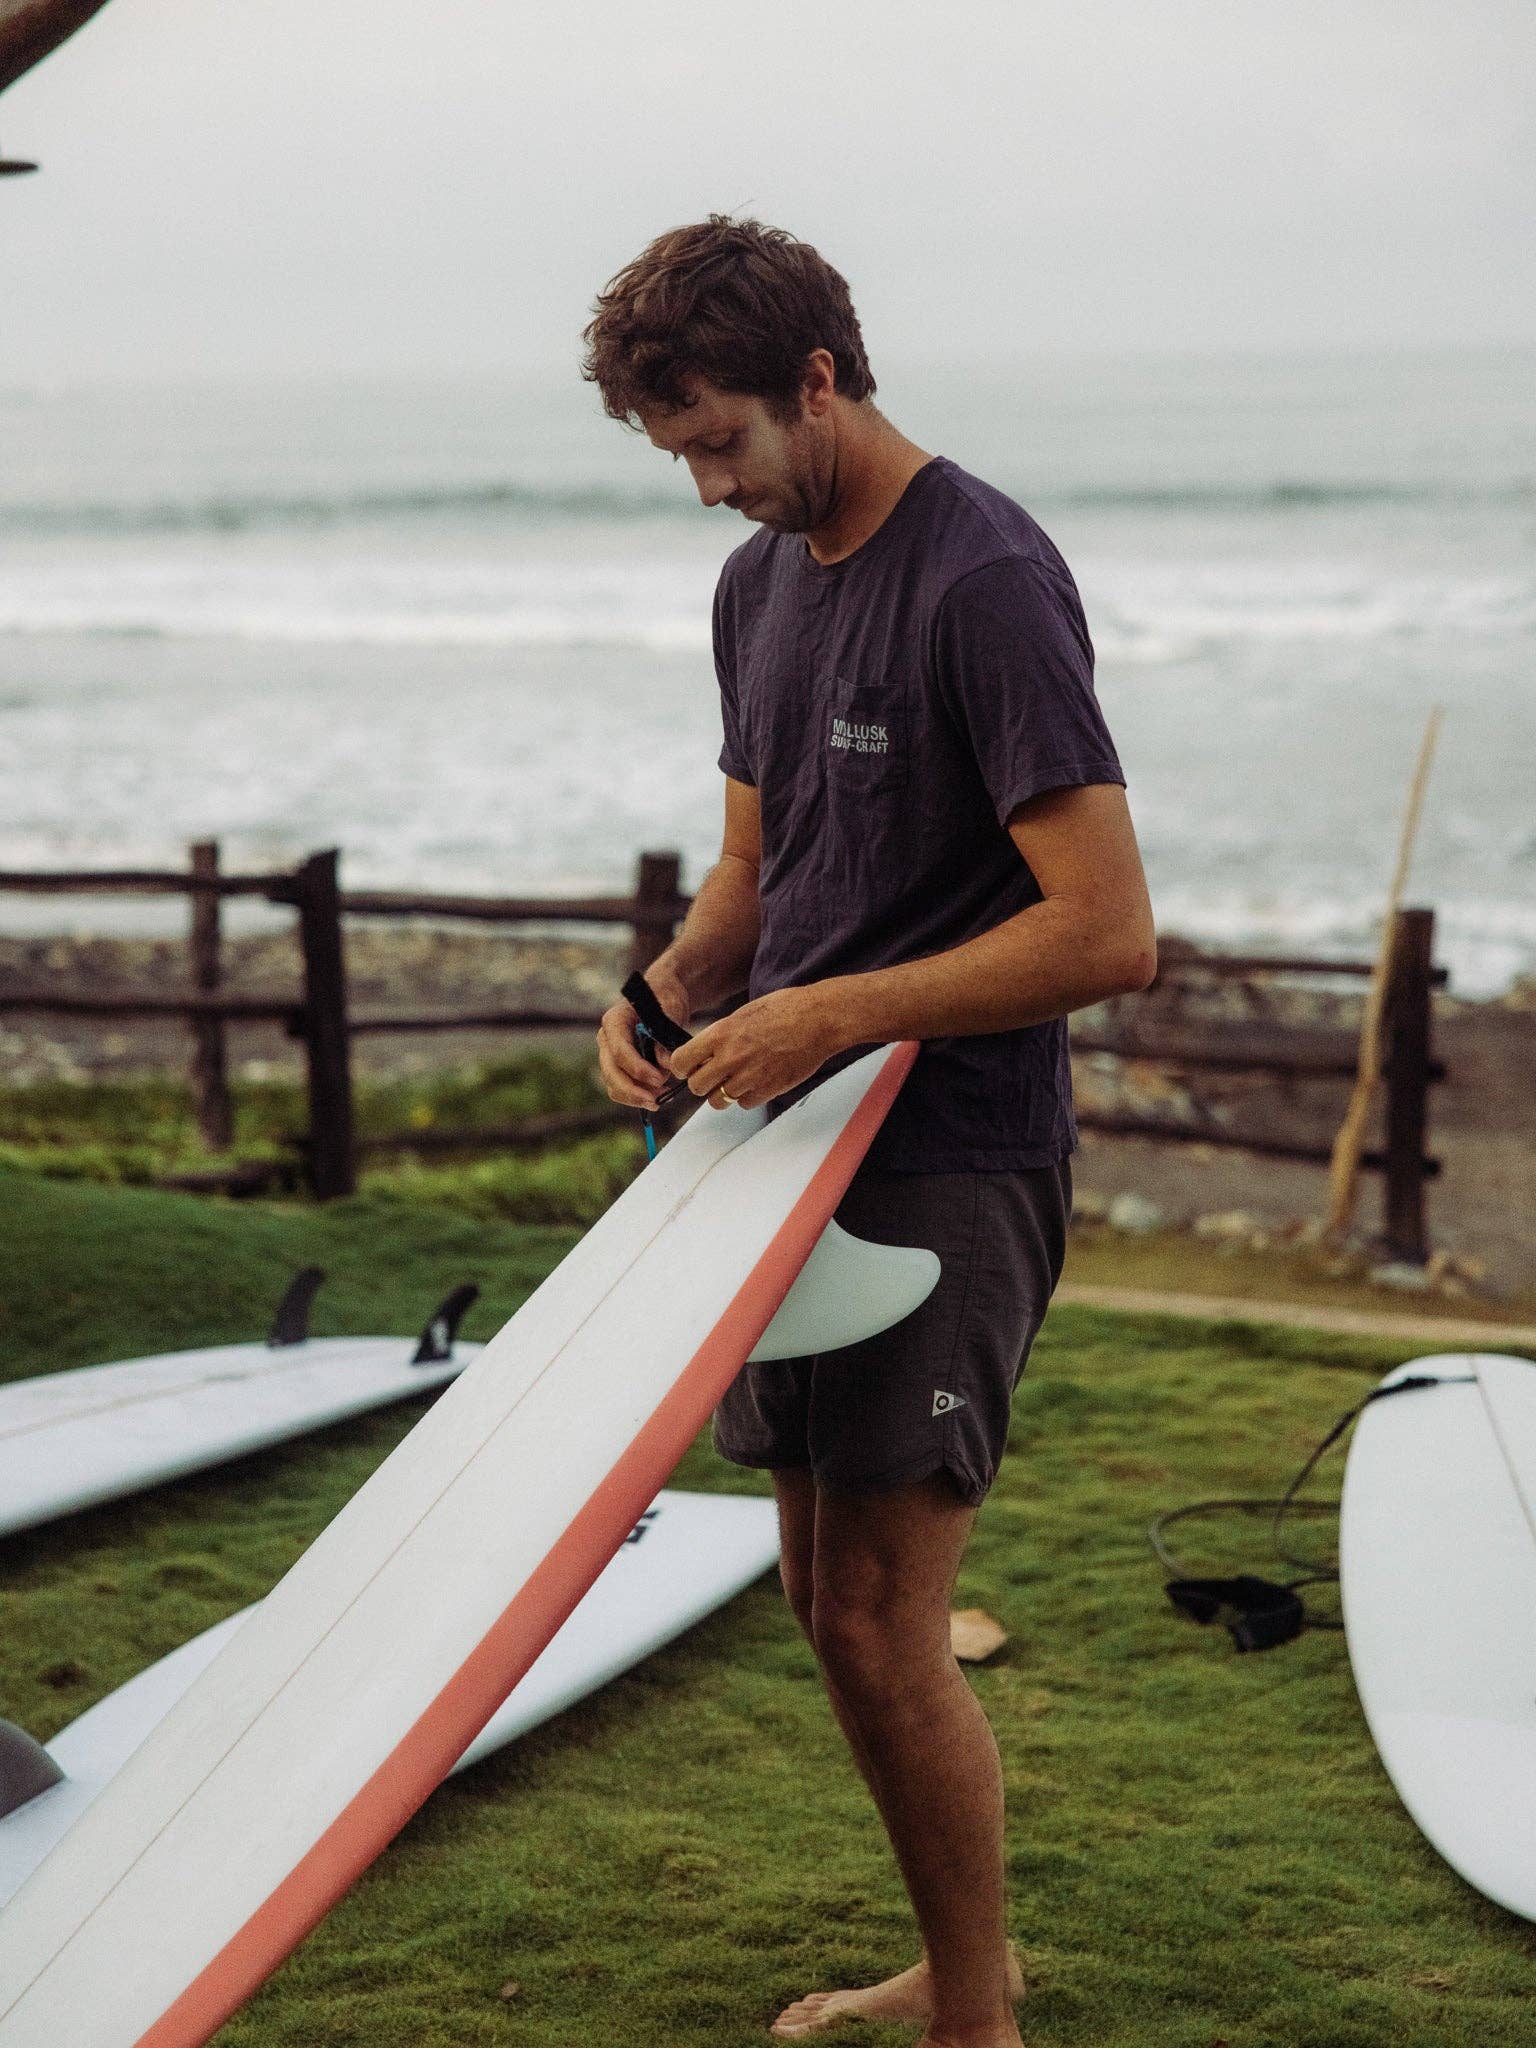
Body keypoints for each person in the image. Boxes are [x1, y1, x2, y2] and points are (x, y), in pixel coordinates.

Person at [587, 215, 1156, 2048]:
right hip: (777, 1157)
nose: (706, 488)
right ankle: (963, 1972)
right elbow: (759, 878)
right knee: (828, 1607)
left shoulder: (983, 577)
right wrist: (662, 994)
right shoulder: (761, 585)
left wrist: (839, 1013)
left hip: (948, 1156)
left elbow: (1106, 930)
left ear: (818, 377)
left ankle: (974, 2026)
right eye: (677, 455)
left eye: (723, 443)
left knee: (885, 1618)